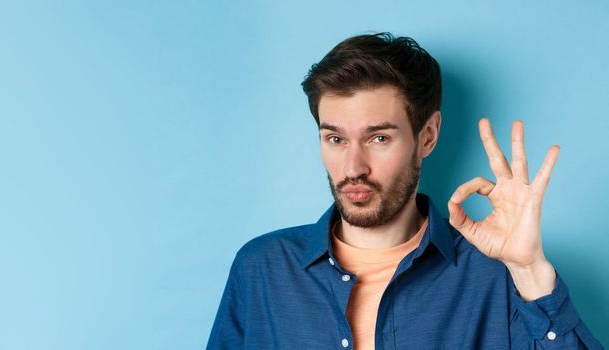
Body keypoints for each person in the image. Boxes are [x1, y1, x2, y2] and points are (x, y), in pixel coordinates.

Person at [206, 32, 604, 349]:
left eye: (378, 138)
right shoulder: (262, 269)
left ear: (427, 136)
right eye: (335, 139)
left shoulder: (493, 276)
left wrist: (530, 271)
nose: (353, 168)